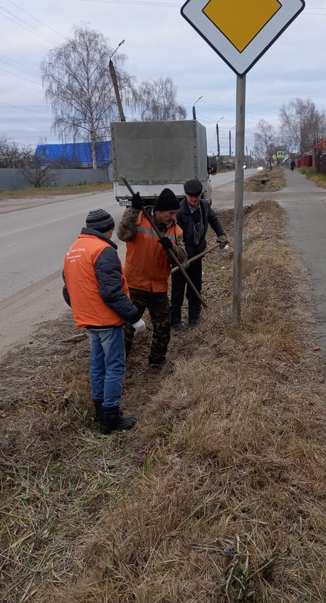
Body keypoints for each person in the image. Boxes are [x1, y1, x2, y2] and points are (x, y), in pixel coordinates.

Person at [63, 209, 142, 434]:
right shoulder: (103, 250)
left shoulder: (73, 250)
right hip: (107, 320)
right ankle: (111, 418)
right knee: (114, 367)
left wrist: (85, 308)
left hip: (89, 321)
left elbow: (68, 289)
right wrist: (134, 316)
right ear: (107, 229)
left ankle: (100, 412)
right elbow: (111, 292)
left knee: (97, 366)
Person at [118, 188, 186, 369]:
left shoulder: (176, 231)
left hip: (158, 288)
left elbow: (182, 260)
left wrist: (171, 249)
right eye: (170, 213)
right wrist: (132, 210)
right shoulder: (139, 219)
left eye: (175, 213)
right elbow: (123, 235)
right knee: (127, 328)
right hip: (134, 285)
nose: (173, 217)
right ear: (159, 210)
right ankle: (118, 364)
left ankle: (157, 362)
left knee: (163, 329)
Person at [172, 179, 229, 331]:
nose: (194, 199)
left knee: (195, 287)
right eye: (191, 196)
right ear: (185, 194)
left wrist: (221, 235)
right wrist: (181, 257)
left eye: (197, 196)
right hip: (181, 258)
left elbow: (214, 221)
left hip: (197, 255)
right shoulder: (178, 211)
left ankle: (194, 318)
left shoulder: (204, 206)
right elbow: (176, 237)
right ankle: (176, 320)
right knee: (177, 290)